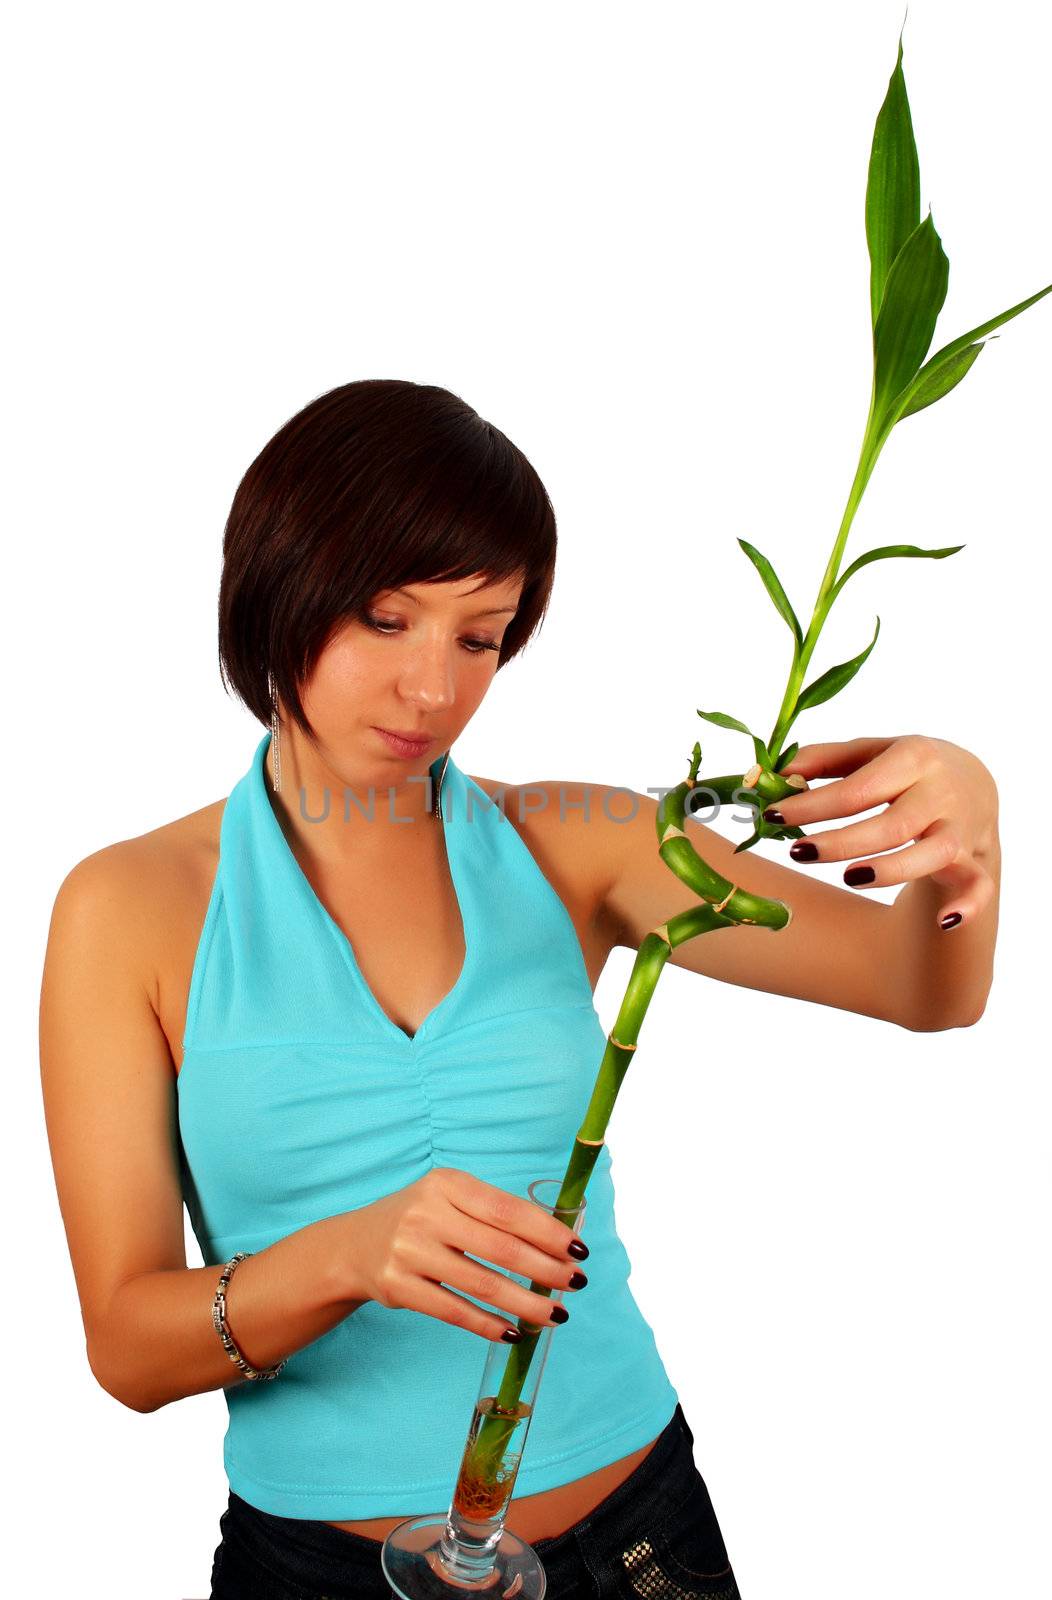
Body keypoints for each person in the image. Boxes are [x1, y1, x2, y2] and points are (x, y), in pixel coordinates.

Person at [38, 379, 1001, 1599]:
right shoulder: (125, 907)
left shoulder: (575, 841)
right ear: (274, 588)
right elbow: (127, 1346)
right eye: (385, 621)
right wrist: (342, 1256)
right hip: (320, 1570)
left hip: (643, 1533)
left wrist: (964, 823)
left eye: (478, 636)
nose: (431, 689)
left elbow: (922, 985)